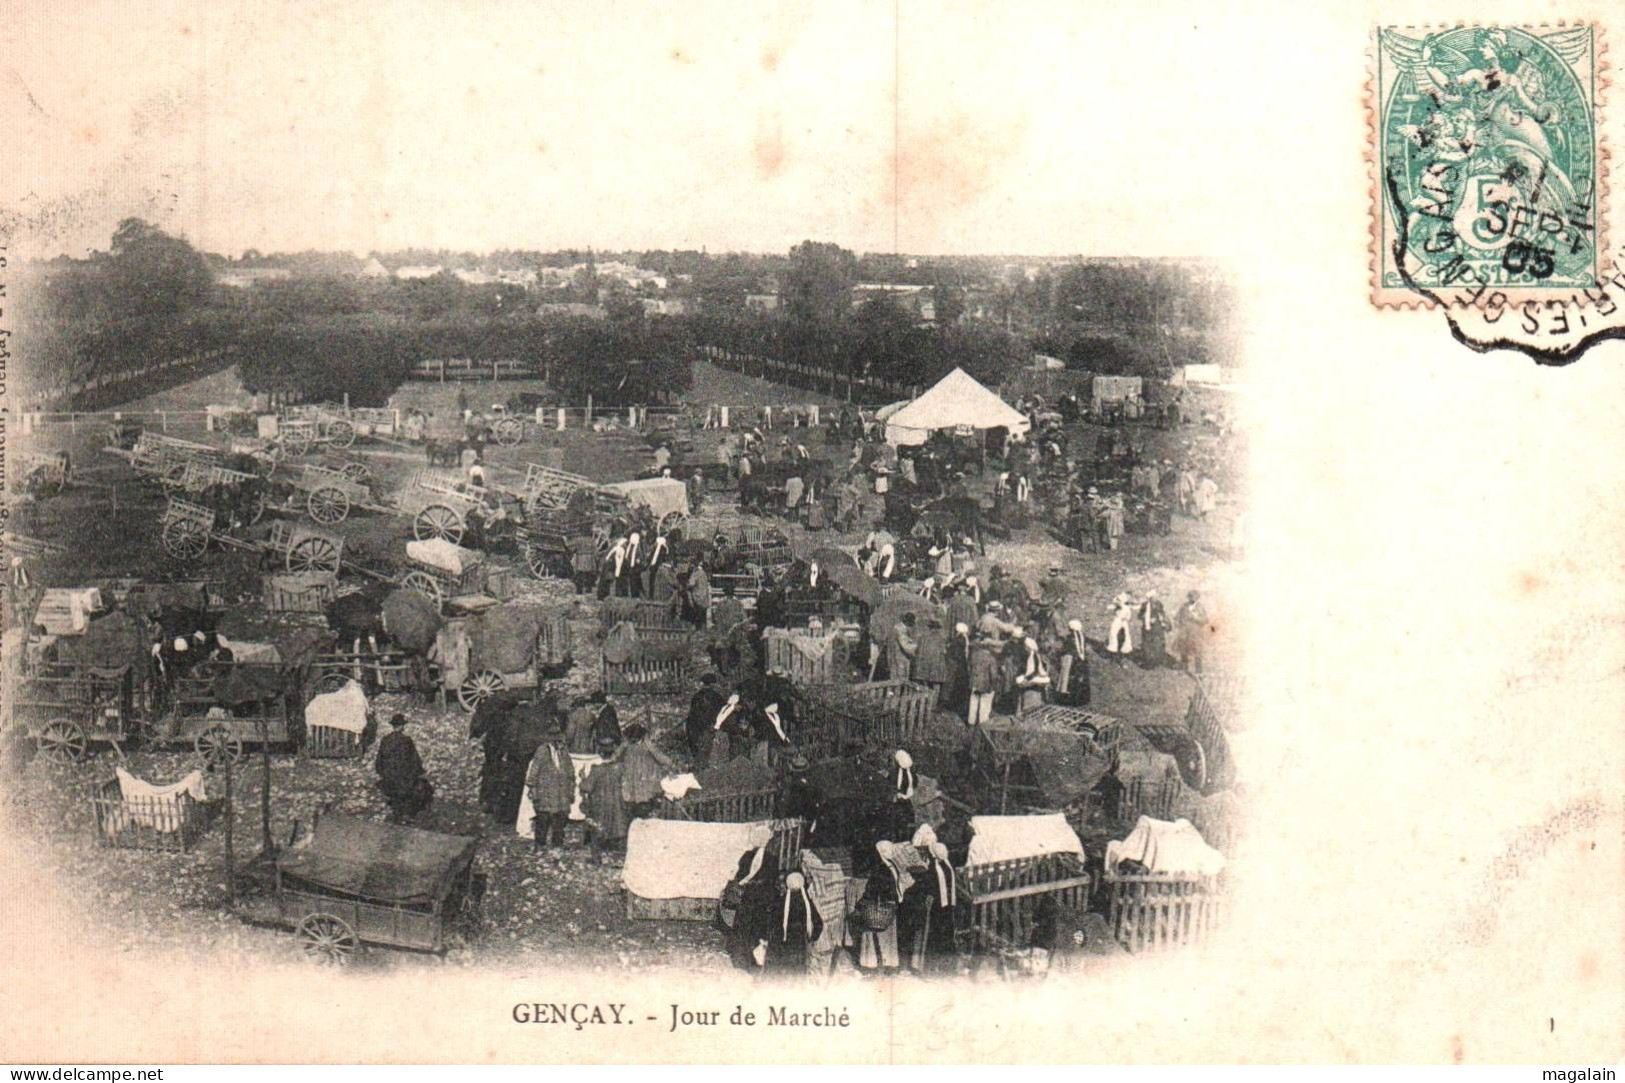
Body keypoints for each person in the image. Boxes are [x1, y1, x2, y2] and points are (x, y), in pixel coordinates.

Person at [728, 841, 781, 970]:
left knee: (744, 927)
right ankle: (756, 959)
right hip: (763, 899)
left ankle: (741, 960)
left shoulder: (746, 856)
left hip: (748, 897)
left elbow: (740, 875)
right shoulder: (771, 858)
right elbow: (773, 880)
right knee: (758, 928)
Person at [856, 841, 908, 973]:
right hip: (883, 906)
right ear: (882, 852)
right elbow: (872, 888)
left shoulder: (892, 865)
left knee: (888, 937)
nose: (891, 852)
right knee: (882, 937)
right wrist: (863, 903)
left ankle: (888, 964)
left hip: (890, 905)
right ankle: (879, 965)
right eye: (888, 850)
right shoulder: (880, 868)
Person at [526, 722, 575, 852]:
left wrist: (571, 789)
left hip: (561, 791)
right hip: (546, 791)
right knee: (543, 818)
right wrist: (533, 789)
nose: (557, 739)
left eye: (558, 736)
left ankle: (557, 843)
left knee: (560, 817)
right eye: (553, 736)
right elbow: (534, 771)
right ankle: (540, 844)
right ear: (548, 737)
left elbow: (570, 770)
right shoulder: (542, 751)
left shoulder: (563, 751)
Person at [579, 736, 629, 863]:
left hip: (600, 805)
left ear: (600, 753)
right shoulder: (620, 768)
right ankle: (617, 858)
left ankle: (596, 858)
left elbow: (587, 787)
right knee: (617, 829)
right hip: (616, 804)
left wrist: (582, 777)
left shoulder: (597, 770)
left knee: (596, 829)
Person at [375, 713, 432, 823]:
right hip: (403, 775)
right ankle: (405, 815)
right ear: (402, 726)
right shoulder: (406, 740)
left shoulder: (385, 740)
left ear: (393, 726)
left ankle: (396, 814)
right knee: (409, 790)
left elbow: (379, 760)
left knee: (395, 793)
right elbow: (414, 759)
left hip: (389, 775)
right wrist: (419, 771)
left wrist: (382, 773)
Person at [767, 872, 824, 977]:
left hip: (783, 945)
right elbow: (819, 923)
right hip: (801, 945)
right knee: (799, 974)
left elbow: (772, 923)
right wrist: (813, 938)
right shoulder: (807, 902)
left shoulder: (781, 902)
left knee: (784, 975)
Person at [684, 673, 727, 760]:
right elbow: (723, 711)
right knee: (707, 751)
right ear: (712, 684)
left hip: (694, 727)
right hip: (707, 727)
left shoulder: (696, 696)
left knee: (697, 750)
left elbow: (693, 712)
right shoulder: (716, 697)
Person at [1056, 618, 1092, 706]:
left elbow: (1065, 649)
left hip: (1073, 661)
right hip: (1082, 660)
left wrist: (1059, 652)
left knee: (1071, 680)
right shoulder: (1083, 636)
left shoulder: (1069, 638)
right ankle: (1083, 699)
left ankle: (1071, 700)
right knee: (1082, 679)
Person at [911, 614, 948, 697]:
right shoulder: (941, 638)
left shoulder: (923, 637)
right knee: (936, 684)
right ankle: (933, 702)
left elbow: (918, 650)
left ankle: (923, 699)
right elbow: (944, 651)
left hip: (924, 665)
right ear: (937, 628)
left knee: (923, 683)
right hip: (936, 665)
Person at [968, 634, 999, 726]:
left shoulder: (974, 655)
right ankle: (983, 725)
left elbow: (969, 668)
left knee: (973, 702)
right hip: (986, 685)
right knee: (985, 706)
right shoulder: (991, 659)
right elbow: (993, 675)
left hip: (974, 682)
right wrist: (994, 686)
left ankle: (971, 723)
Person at [1175, 590, 1208, 674]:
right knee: (1183, 650)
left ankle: (1199, 672)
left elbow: (1205, 620)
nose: (1192, 599)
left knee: (1197, 651)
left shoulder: (1200, 607)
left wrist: (1196, 618)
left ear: (1197, 598)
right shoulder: (1184, 606)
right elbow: (1177, 617)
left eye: (1194, 598)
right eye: (1190, 597)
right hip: (1184, 632)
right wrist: (1179, 624)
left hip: (1195, 633)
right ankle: (1184, 668)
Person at [1015, 636, 1051, 711]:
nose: (1025, 648)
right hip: (1033, 678)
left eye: (1026, 647)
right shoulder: (1035, 655)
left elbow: (1031, 671)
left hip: (1032, 679)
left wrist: (1025, 678)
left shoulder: (1031, 656)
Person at [1138, 590, 1170, 668]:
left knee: (1157, 643)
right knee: (1147, 644)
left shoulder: (1159, 604)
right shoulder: (1145, 605)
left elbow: (1162, 614)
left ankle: (1158, 660)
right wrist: (1146, 618)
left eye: (1156, 597)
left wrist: (1160, 619)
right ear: (1150, 598)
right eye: (1154, 597)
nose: (1155, 598)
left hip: (1157, 627)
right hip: (1147, 627)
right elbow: (1139, 616)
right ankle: (1148, 662)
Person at [887, 613, 918, 681]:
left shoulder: (899, 627)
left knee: (897, 677)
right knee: (900, 678)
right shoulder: (900, 629)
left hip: (897, 656)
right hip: (900, 657)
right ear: (908, 622)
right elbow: (905, 646)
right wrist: (917, 648)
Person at [1106, 592, 1136, 664]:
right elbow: (1127, 617)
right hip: (1119, 622)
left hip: (1121, 622)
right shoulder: (1123, 607)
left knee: (1120, 637)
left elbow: (1128, 617)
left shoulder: (1124, 607)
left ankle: (1117, 653)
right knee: (1116, 636)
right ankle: (1116, 653)